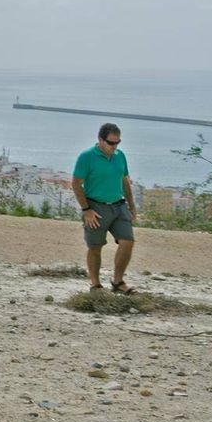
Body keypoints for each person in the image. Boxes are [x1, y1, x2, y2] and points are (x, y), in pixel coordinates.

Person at [73, 123, 138, 294]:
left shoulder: (120, 156)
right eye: (110, 143)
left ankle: (118, 282)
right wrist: (86, 209)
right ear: (100, 140)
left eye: (117, 142)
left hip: (119, 205)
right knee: (95, 246)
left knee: (128, 241)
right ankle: (95, 284)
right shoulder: (87, 157)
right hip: (95, 207)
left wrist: (131, 206)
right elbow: (76, 183)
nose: (114, 146)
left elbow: (125, 181)